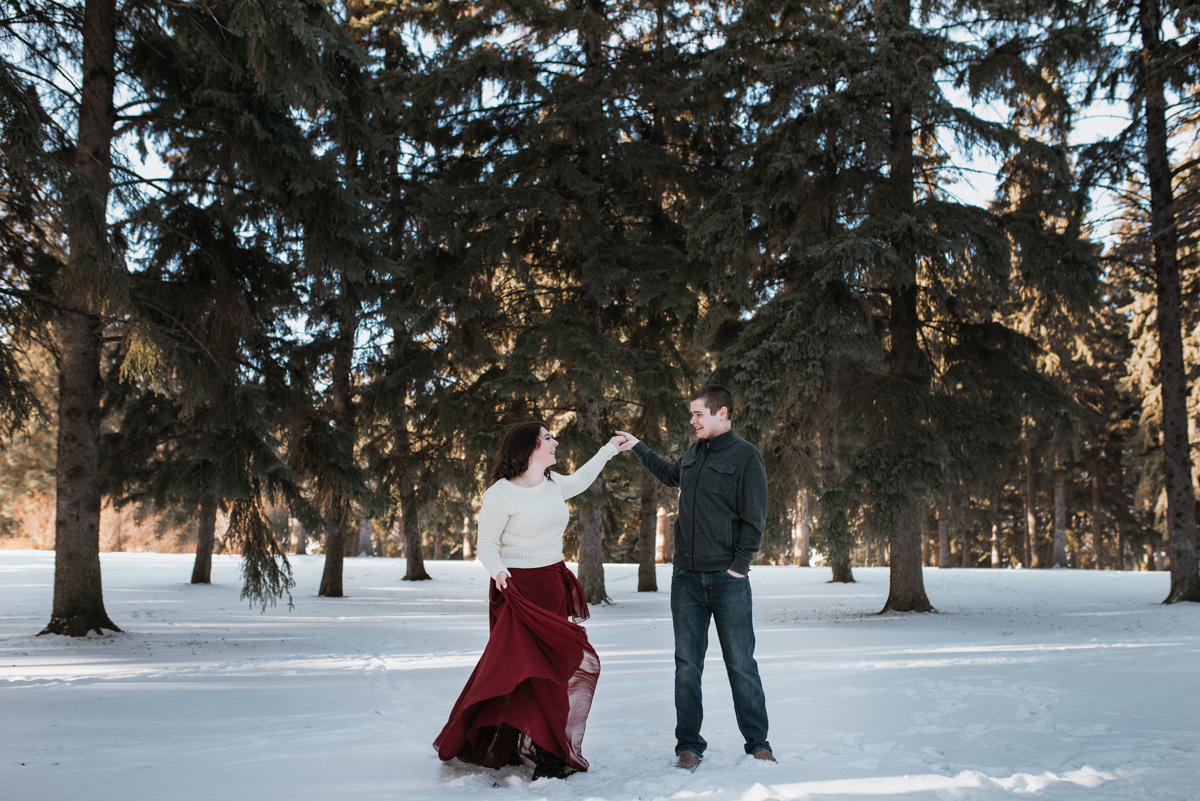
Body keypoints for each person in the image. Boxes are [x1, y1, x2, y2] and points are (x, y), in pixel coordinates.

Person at [434, 422, 633, 780]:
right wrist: (499, 573)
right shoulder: (501, 494)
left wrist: (609, 450)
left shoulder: (554, 485)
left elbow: (583, 479)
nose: (555, 442)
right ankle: (534, 750)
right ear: (529, 448)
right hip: (517, 592)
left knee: (551, 672)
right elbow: (487, 545)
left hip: (552, 586)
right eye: (547, 438)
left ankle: (543, 750)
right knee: (517, 670)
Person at [617, 385, 773, 771]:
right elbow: (672, 475)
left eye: (699, 414)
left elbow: (754, 519)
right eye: (692, 414)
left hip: (727, 579)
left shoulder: (746, 457)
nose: (693, 420)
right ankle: (688, 745)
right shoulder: (694, 453)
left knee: (740, 663)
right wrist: (638, 446)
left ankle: (758, 743)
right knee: (687, 664)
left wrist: (739, 565)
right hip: (686, 579)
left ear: (722, 413)